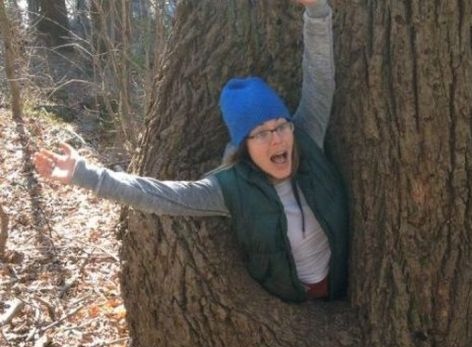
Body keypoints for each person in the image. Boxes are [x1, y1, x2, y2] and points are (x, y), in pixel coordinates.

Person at [33, 0, 348, 303]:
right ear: (244, 145)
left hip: (341, 284)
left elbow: (319, 79)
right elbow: (161, 196)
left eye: (281, 125)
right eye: (262, 133)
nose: (277, 139)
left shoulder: (306, 139)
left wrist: (317, 11)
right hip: (290, 302)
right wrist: (84, 175)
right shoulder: (231, 189)